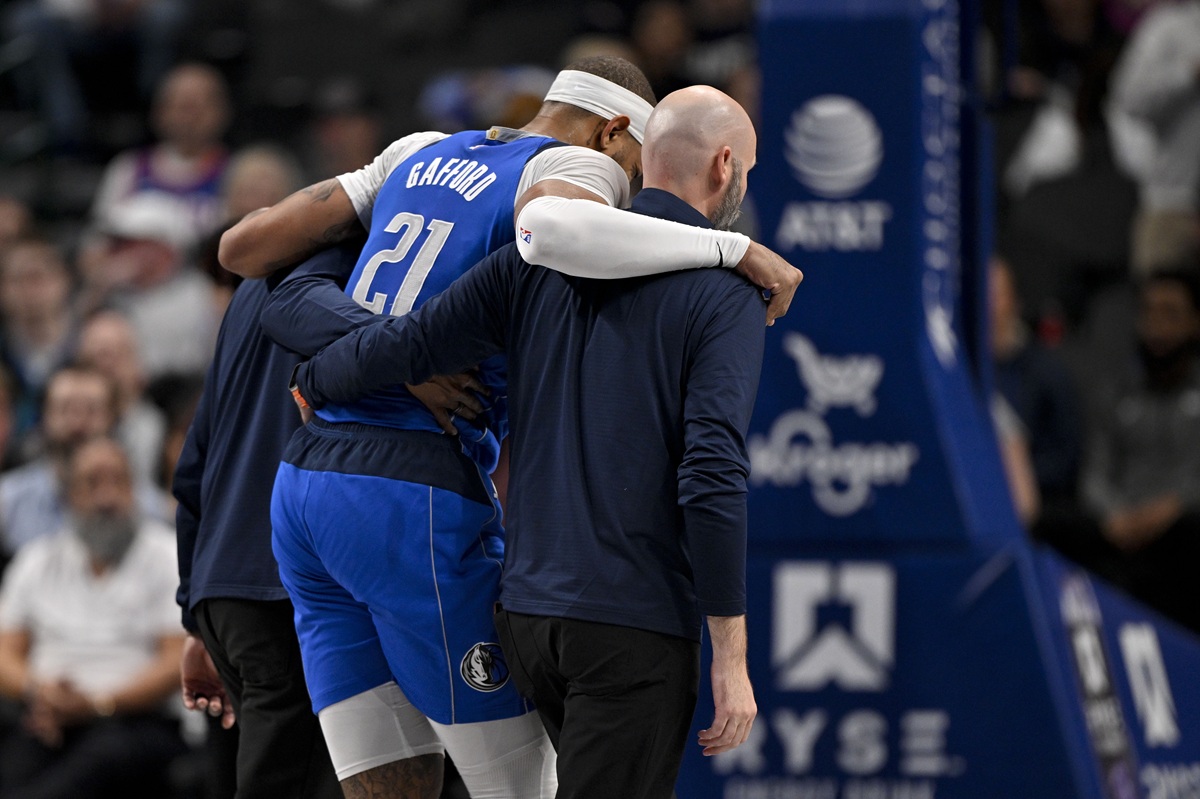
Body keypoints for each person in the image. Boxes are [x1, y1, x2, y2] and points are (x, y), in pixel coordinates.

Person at [222, 55, 799, 798]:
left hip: (306, 479)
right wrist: (733, 247)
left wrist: (349, 363)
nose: (627, 192)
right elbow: (551, 227)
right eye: (630, 166)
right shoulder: (572, 170)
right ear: (615, 133)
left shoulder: (419, 149)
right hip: (410, 491)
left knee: (388, 781)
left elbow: (247, 253)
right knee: (521, 786)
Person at [172, 258, 354, 799]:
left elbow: (193, 464)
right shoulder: (364, 266)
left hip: (225, 591)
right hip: (294, 592)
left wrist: (194, 615)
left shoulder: (248, 291)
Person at [0, 437, 187, 798]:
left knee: (103, 758)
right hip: (47, 714)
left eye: (117, 481)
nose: (107, 497)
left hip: (135, 719)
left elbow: (175, 659)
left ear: (134, 489)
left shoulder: (167, 555)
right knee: (16, 756)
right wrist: (41, 692)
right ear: (68, 495)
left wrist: (99, 704)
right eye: (92, 483)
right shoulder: (37, 560)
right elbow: (5, 652)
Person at [0, 365, 169, 560]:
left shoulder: (149, 510)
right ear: (43, 419)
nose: (78, 424)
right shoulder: (6, 503)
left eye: (91, 410)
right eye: (65, 409)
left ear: (113, 421)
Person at [1110, 0, 1200, 273]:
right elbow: (1129, 97)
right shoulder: (1169, 24)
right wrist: (1188, 73)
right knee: (1159, 305)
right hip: (1173, 205)